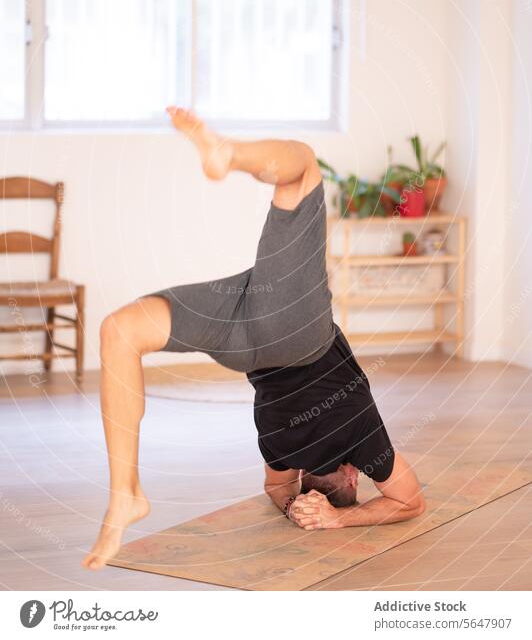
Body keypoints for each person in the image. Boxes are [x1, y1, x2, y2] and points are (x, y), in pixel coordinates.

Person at [83, 109, 425, 570]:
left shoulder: (365, 444)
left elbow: (410, 503)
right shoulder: (281, 452)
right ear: (307, 478)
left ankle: (231, 153)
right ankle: (124, 496)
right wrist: (304, 511)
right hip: (242, 341)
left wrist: (338, 520)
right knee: (120, 331)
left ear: (351, 476)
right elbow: (275, 488)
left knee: (303, 167)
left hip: (296, 331)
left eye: (357, 481)